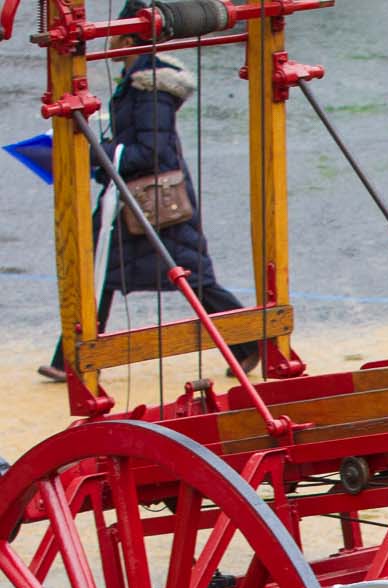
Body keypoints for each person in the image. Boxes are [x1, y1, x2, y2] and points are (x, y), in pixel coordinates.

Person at [42, 2, 258, 382]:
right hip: (136, 200)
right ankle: (69, 359)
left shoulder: (148, 88)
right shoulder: (138, 80)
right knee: (100, 272)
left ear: (128, 36)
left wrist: (91, 153)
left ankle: (250, 342)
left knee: (190, 278)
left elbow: (150, 152)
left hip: (154, 202)